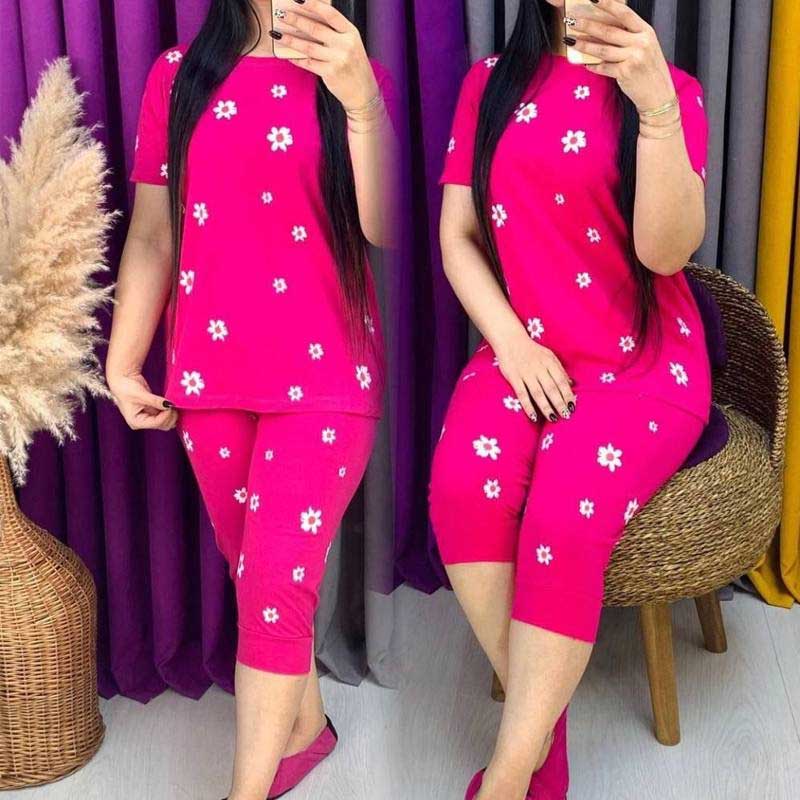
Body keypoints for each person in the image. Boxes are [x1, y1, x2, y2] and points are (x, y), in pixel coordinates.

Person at [105, 2, 395, 798]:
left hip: (328, 375)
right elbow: (153, 233)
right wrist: (123, 362)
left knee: (274, 586)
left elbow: (384, 227)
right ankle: (306, 729)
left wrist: (362, 101)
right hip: (211, 375)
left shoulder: (356, 75)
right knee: (258, 579)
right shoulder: (177, 78)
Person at [428, 1, 710, 798]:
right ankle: (541, 743)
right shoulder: (489, 85)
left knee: (563, 516)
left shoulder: (674, 89)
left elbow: (666, 254)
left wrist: (656, 109)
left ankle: (508, 776)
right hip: (523, 346)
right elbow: (458, 238)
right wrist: (512, 343)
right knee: (461, 488)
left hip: (642, 363)